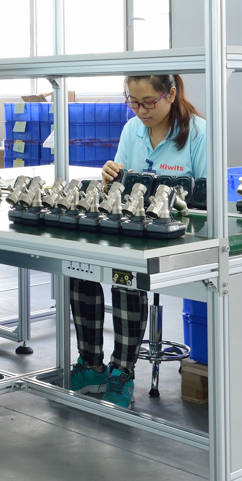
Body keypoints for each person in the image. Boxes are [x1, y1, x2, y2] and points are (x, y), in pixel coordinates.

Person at [70, 72, 206, 409]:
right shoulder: (132, 129)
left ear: (170, 94)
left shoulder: (199, 133)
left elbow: (207, 198)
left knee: (125, 277)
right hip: (132, 228)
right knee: (80, 268)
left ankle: (122, 372)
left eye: (148, 102)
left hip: (178, 236)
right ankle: (91, 365)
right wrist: (110, 176)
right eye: (133, 103)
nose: (141, 111)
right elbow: (121, 183)